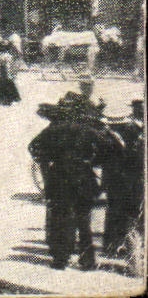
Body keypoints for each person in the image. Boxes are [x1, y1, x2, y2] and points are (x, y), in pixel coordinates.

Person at [28, 94, 109, 270]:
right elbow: (107, 148)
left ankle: (60, 259)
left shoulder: (52, 130)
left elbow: (33, 147)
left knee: (61, 219)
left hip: (59, 178)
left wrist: (47, 159)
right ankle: (87, 261)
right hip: (83, 177)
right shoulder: (86, 130)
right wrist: (92, 161)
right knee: (84, 221)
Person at [100, 98, 144, 257]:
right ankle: (118, 246)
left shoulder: (112, 135)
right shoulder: (131, 131)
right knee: (125, 213)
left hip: (122, 180)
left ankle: (114, 246)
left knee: (119, 213)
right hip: (127, 179)